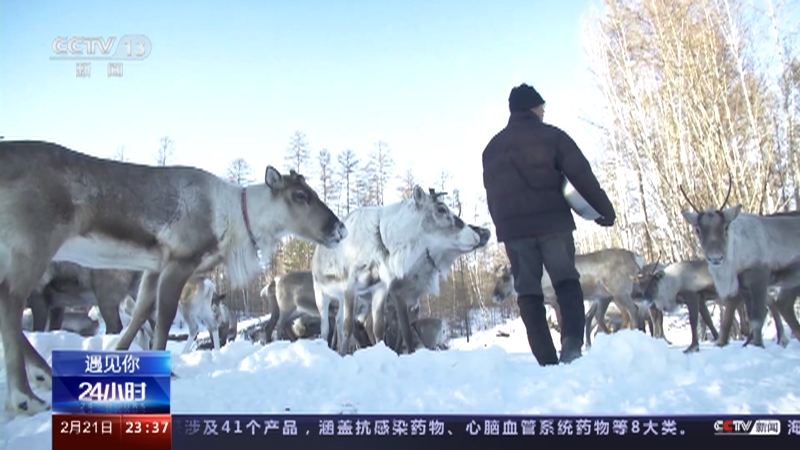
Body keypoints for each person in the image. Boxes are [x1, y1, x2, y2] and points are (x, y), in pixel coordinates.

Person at [481, 83, 616, 366]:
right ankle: (571, 346)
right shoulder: (552, 137)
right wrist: (604, 211)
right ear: (532, 107)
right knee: (566, 282)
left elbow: (492, 196)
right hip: (553, 225)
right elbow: (582, 176)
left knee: (528, 292)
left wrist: (503, 228)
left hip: (515, 233)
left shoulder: (491, 149)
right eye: (542, 106)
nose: (544, 111)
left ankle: (545, 359)